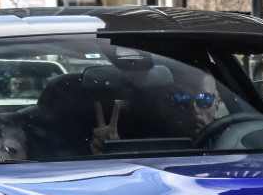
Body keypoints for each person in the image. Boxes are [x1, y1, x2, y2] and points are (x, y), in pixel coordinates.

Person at [89, 65, 221, 154]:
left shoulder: (234, 144)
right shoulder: (144, 150)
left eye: (204, 99)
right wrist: (114, 152)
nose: (194, 109)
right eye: (181, 99)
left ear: (216, 106)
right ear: (163, 106)